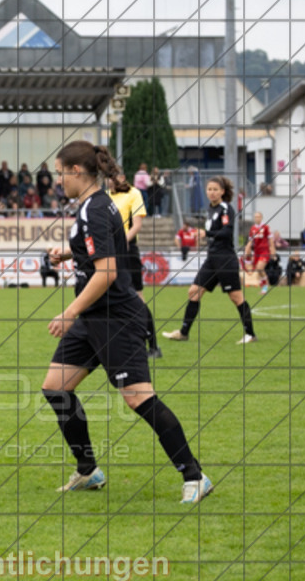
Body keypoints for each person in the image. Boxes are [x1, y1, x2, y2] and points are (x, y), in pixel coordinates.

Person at [44, 141, 211, 503]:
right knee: (56, 388)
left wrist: (69, 312)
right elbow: (99, 251)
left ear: (76, 171)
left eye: (60, 172)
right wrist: (67, 254)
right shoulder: (95, 205)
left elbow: (106, 272)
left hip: (115, 318)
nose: (59, 180)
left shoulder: (95, 209)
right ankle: (88, 471)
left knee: (139, 400)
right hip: (94, 317)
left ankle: (195, 476)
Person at [163, 175, 257, 344]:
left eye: (215, 189)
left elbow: (227, 232)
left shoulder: (226, 208)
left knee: (236, 297)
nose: (212, 192)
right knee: (194, 292)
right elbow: (214, 233)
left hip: (225, 259)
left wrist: (206, 233)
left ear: (222, 191)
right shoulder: (210, 209)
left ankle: (250, 334)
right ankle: (183, 333)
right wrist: (203, 235)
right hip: (212, 259)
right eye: (209, 189)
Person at [108, 172, 161, 358]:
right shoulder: (105, 196)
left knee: (137, 298)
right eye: (106, 177)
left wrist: (121, 243)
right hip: (109, 252)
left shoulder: (134, 193)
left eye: (111, 176)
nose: (108, 180)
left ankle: (153, 345)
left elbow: (136, 225)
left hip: (127, 252)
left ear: (121, 176)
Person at [244, 211, 276, 294]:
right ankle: (264, 287)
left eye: (258, 217)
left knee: (259, 268)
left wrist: (273, 252)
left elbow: (271, 241)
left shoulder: (265, 227)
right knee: (258, 270)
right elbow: (250, 242)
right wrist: (246, 251)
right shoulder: (253, 229)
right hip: (256, 252)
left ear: (261, 218)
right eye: (255, 217)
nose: (257, 218)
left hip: (265, 251)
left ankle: (265, 287)